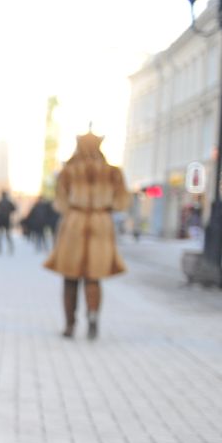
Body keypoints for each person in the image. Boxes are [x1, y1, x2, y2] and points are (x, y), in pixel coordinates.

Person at [43, 132, 128, 340]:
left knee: (70, 277)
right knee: (94, 277)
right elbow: (121, 203)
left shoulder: (69, 171)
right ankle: (92, 315)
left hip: (75, 222)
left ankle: (70, 324)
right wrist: (103, 206)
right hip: (101, 223)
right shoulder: (112, 172)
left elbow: (61, 203)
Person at [0, 191, 17, 256]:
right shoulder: (9, 202)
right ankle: (10, 248)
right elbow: (14, 209)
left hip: (0, 221)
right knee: (7, 235)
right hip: (6, 220)